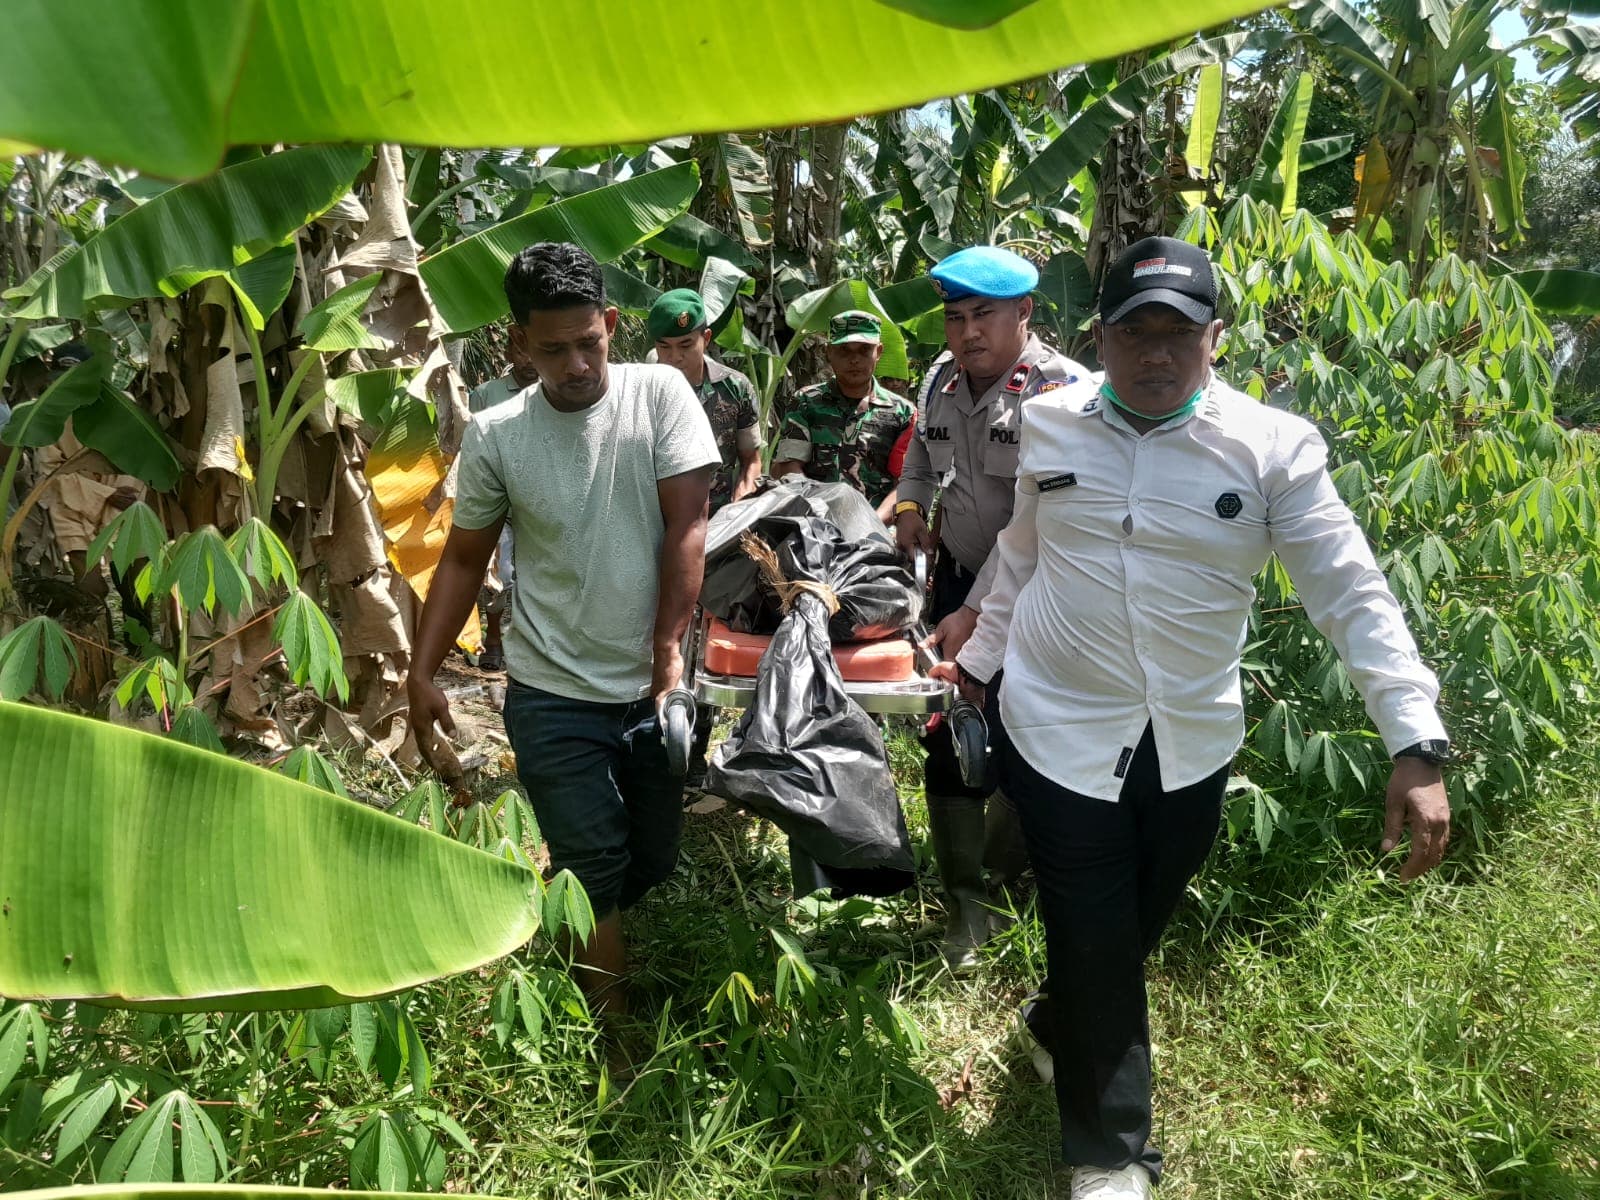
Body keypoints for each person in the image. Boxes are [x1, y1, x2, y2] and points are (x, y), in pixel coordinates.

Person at [936, 236, 1452, 1199]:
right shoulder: (1049, 423)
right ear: (1101, 338)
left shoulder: (1272, 448)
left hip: (1189, 738)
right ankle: (1111, 1156)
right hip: (1054, 722)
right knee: (1094, 931)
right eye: (1136, 333)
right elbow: (1022, 552)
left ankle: (1055, 1022)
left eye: (1180, 333)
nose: (1158, 354)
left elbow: (1350, 590)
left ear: (1216, 339)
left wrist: (1413, 737)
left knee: (1134, 922)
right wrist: (977, 659)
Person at [407, 243, 720, 1050]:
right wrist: (421, 669)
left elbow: (687, 525)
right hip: (548, 688)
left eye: (590, 342)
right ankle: (614, 1043)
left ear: (612, 323)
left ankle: (570, 932)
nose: (578, 365)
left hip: (653, 685)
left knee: (652, 856)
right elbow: (464, 559)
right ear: (519, 344)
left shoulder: (661, 396)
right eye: (554, 350)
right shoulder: (498, 434)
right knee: (591, 861)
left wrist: (667, 654)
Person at [895, 245, 1088, 970]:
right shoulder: (940, 378)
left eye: (984, 315)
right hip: (958, 581)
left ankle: (1006, 881)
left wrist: (978, 611)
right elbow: (922, 455)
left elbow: (1037, 529)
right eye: (956, 318)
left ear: (1024, 313)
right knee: (948, 729)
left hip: (1040, 594)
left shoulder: (1062, 393)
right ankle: (964, 901)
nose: (968, 332)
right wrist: (911, 506)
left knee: (1020, 732)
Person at [771, 309, 914, 521]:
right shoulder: (806, 402)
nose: (854, 359)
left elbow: (906, 481)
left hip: (877, 527)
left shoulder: (902, 413)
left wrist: (873, 522)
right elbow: (789, 466)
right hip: (814, 522)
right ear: (828, 352)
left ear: (879, 352)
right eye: (844, 350)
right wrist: (818, 514)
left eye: (864, 350)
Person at [648, 288, 761, 511]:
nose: (675, 357)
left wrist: (743, 499)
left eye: (686, 345)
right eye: (664, 346)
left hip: (719, 518)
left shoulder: (735, 388)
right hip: (657, 519)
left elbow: (752, 460)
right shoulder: (642, 389)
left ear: (706, 338)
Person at [467, 344, 540, 673]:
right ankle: (493, 638)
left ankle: (531, 644)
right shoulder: (486, 395)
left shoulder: (555, 392)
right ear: (511, 353)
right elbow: (467, 443)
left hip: (541, 503)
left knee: (538, 578)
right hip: (498, 503)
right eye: (522, 353)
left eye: (535, 352)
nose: (529, 360)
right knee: (500, 576)